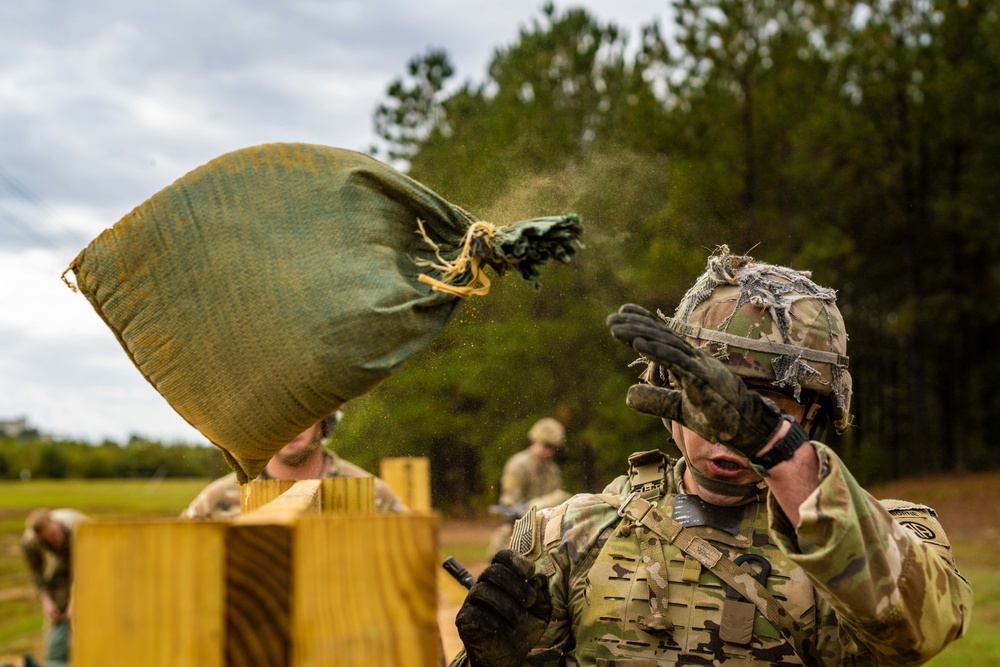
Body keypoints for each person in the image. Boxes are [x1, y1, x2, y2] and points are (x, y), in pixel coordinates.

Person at [451, 246, 973, 666]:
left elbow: (920, 632)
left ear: (812, 417)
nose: (727, 432)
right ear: (668, 392)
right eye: (711, 400)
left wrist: (778, 454)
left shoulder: (879, 541)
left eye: (764, 407)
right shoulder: (567, 532)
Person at [181, 410, 407, 518]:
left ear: (324, 421)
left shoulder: (372, 496)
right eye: (277, 416)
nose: (290, 427)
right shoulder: (217, 501)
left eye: (302, 413)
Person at [486, 418, 571, 558]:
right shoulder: (519, 465)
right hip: (521, 524)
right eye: (546, 446)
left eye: (552, 448)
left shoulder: (552, 469)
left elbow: (559, 501)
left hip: (547, 526)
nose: (549, 452)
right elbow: (511, 503)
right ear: (535, 440)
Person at [22, 507, 90, 666]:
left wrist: (74, 602)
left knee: (85, 608)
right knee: (57, 603)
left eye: (56, 533)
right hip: (62, 561)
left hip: (92, 557)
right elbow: (36, 573)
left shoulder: (78, 528)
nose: (56, 538)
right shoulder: (30, 541)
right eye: (50, 538)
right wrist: (46, 601)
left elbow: (84, 569)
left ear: (55, 522)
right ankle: (57, 658)